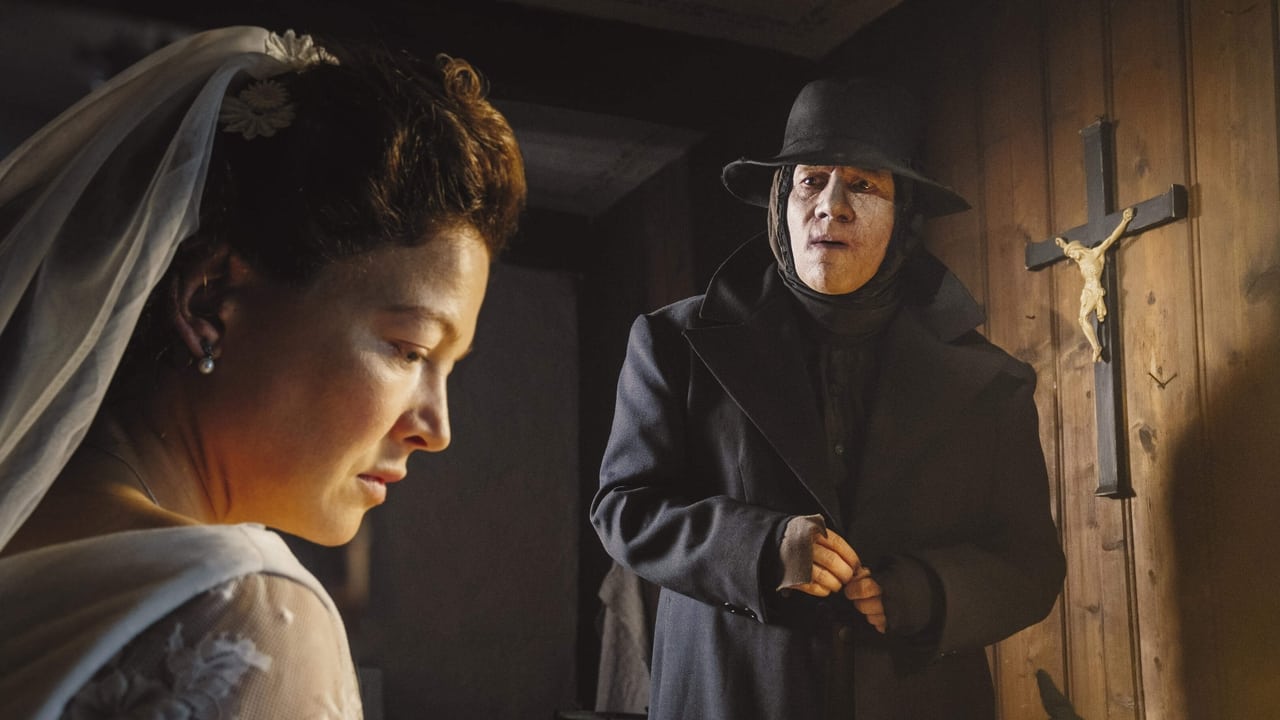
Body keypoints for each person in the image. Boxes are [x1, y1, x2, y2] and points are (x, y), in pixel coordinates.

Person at [0, 26, 524, 719]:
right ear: (208, 301)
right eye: (410, 350)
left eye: (446, 368)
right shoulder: (239, 610)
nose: (436, 429)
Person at [591, 77, 1065, 719]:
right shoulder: (674, 345)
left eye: (863, 185)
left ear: (903, 219)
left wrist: (926, 593)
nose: (831, 206)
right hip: (729, 696)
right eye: (811, 181)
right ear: (781, 202)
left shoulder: (988, 382)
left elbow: (1030, 566)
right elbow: (623, 506)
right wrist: (759, 549)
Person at [1056, 206, 1135, 362]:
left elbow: (1111, 239)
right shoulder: (1079, 260)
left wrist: (1125, 220)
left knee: (1084, 317)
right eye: (1070, 255)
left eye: (1072, 253)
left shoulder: (1095, 253)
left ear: (1078, 249)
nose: (1073, 257)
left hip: (1095, 288)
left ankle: (1097, 347)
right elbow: (1069, 250)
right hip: (1087, 290)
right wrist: (1063, 245)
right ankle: (1096, 347)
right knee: (1082, 319)